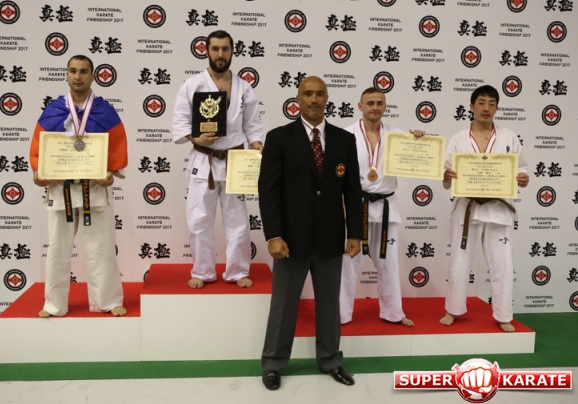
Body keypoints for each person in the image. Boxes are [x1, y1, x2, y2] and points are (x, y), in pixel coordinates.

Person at [258, 76, 362, 391]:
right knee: (283, 305)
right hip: (290, 240)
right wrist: (273, 235)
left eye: (319, 94)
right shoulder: (279, 138)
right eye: (308, 94)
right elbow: (268, 191)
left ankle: (331, 359)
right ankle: (273, 363)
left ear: (327, 98)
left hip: (331, 238)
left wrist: (355, 233)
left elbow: (352, 191)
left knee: (329, 305)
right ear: (298, 99)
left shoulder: (344, 140)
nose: (314, 99)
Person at [30, 54, 128, 318]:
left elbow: (117, 147)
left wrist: (110, 173)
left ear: (92, 76)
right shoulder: (53, 110)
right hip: (60, 188)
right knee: (57, 249)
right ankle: (53, 304)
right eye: (73, 70)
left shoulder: (105, 111)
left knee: (101, 247)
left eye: (84, 71)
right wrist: (39, 173)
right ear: (66, 74)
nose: (78, 76)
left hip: (94, 188)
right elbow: (40, 148)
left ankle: (108, 300)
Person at [172, 30, 263, 289]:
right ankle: (202, 271)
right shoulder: (193, 85)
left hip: (235, 160)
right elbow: (180, 121)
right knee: (199, 219)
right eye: (215, 49)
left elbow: (252, 125)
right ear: (206, 51)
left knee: (238, 220)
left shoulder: (244, 87)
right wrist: (196, 138)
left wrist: (257, 147)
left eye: (225, 49)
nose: (220, 54)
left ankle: (237, 271)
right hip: (205, 161)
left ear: (232, 51)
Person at [439, 85, 529, 332]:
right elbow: (446, 172)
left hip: (498, 210)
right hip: (467, 210)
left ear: (497, 108)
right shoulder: (458, 138)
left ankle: (503, 314)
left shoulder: (509, 137)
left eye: (491, 103)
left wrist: (523, 177)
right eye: (481, 102)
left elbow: (521, 167)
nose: (486, 108)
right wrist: (446, 176)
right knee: (459, 263)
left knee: (502, 265)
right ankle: (452, 309)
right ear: (471, 106)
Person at [340, 87, 422, 326]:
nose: (375, 107)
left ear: (385, 107)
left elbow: (418, 159)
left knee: (389, 263)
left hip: (386, 206)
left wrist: (418, 142)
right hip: (356, 205)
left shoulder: (398, 136)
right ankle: (341, 313)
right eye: (370, 103)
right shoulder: (346, 135)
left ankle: (393, 312)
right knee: (348, 262)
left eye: (379, 103)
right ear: (360, 106)